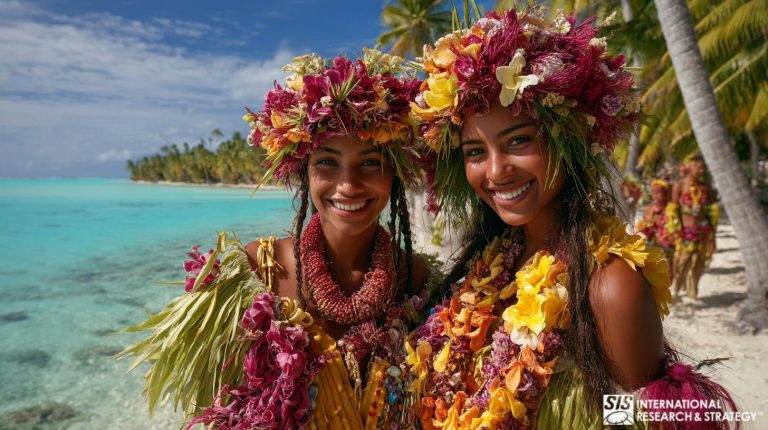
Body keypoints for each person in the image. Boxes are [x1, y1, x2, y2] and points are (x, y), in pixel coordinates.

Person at [406, 9, 736, 429]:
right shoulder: (483, 268)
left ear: (570, 143)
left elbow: (637, 419)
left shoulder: (611, 285)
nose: (494, 170)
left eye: (519, 140)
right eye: (475, 152)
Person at [118, 49, 439, 429]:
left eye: (371, 163)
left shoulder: (415, 278)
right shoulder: (257, 272)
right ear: (305, 173)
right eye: (327, 162)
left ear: (395, 174)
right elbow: (225, 408)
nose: (348, 185)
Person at [667, 154, 719, 298]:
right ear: (689, 167)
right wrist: (675, 230)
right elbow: (672, 210)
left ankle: (693, 291)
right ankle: (677, 290)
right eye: (698, 168)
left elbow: (713, 208)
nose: (701, 171)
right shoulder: (680, 185)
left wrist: (712, 229)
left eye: (703, 169)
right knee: (682, 262)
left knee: (699, 263)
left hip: (703, 231)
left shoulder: (705, 187)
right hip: (685, 232)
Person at [636, 179, 675, 261]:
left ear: (666, 195)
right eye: (653, 193)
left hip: (667, 244)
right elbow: (645, 228)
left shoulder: (670, 210)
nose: (655, 196)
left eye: (658, 193)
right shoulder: (649, 209)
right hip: (652, 244)